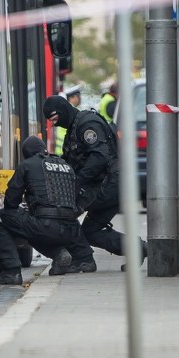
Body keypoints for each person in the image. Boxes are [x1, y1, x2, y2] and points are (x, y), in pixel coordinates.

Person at [43, 95, 147, 272]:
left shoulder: (87, 124)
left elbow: (99, 157)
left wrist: (78, 182)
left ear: (62, 111)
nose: (55, 124)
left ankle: (82, 259)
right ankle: (139, 249)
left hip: (112, 185)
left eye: (55, 119)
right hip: (107, 184)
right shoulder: (74, 130)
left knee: (69, 213)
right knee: (90, 231)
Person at [0, 136, 95, 285]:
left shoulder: (27, 165)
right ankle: (71, 256)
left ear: (27, 153)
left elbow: (11, 201)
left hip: (45, 226)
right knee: (41, 224)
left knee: (2, 218)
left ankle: (11, 271)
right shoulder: (66, 165)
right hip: (72, 229)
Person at [53, 84, 82, 155]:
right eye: (78, 97)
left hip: (62, 149)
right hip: (65, 150)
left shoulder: (66, 109)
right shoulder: (72, 111)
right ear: (72, 98)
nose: (79, 99)